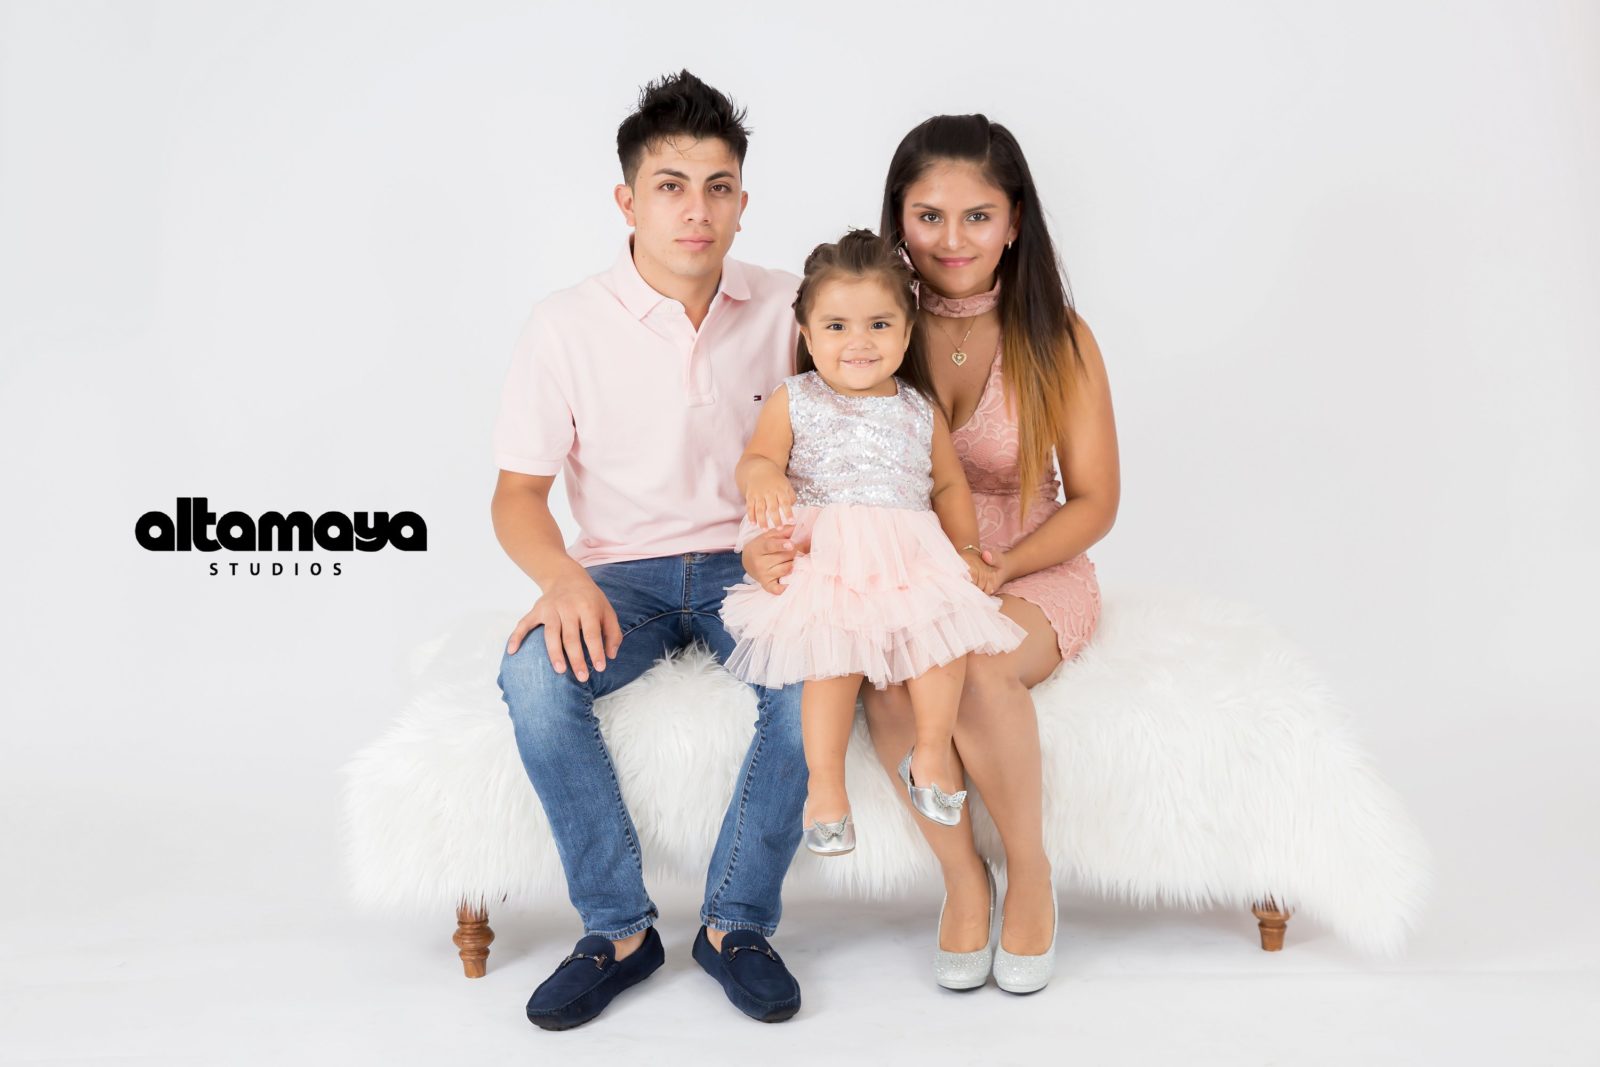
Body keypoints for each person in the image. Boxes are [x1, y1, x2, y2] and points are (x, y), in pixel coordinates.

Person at [742, 115, 1120, 995]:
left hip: (1028, 561)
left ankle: (1030, 872)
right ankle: (964, 879)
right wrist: (769, 546)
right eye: (929, 216)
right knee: (885, 676)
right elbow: (798, 467)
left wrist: (1000, 564)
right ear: (899, 217)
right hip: (895, 565)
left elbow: (1096, 501)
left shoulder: (1059, 336)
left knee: (972, 662)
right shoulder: (866, 319)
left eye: (978, 216)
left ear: (1015, 222)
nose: (952, 239)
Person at [493, 70, 807, 1030]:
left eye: (718, 187)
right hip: (618, 573)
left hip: (754, 564)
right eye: (671, 186)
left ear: (743, 202)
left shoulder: (793, 306)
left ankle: (734, 923)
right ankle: (619, 929)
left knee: (816, 679)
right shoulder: (564, 322)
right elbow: (517, 494)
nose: (696, 210)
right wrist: (561, 579)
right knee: (532, 676)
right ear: (627, 201)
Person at [718, 229, 1027, 857]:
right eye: (836, 327)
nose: (858, 342)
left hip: (909, 556)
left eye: (879, 325)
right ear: (807, 335)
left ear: (907, 333)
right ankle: (826, 786)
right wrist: (764, 476)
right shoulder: (795, 399)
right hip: (831, 559)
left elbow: (948, 484)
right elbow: (756, 460)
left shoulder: (918, 408)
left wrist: (967, 551)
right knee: (831, 662)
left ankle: (930, 752)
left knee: (942, 643)